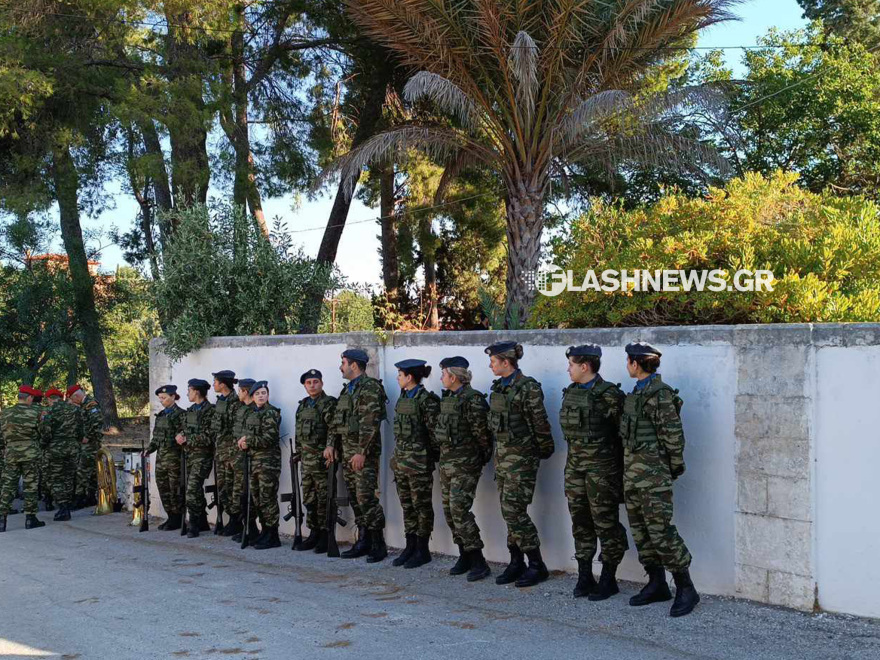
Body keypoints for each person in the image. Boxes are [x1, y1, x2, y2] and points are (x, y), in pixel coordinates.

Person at [620, 342, 699, 617]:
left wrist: (671, 468)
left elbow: (673, 436)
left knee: (660, 531)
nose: (627, 365)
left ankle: (686, 587)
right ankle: (657, 583)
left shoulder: (660, 394)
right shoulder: (638, 392)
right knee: (641, 531)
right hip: (632, 475)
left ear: (636, 363)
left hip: (653, 477)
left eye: (628, 361)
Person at [560, 345, 628, 600]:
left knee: (605, 522)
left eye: (571, 364)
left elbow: (624, 434)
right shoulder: (571, 392)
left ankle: (609, 577)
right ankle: (585, 575)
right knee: (580, 521)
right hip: (575, 468)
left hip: (602, 470)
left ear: (584, 366)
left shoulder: (609, 394)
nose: (568, 369)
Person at [485, 341, 555, 587]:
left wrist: (541, 451)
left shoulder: (528, 388)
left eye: (493, 361)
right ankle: (516, 561)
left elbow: (539, 423)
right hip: (503, 459)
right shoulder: (498, 387)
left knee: (514, 511)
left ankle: (537, 564)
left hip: (522, 460)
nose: (491, 366)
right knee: (508, 511)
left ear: (506, 362)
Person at [323, 348, 389, 563]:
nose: (340, 367)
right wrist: (331, 445)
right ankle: (363, 540)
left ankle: (378, 544)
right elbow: (336, 421)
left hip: (362, 455)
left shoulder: (369, 388)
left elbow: (370, 424)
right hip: (347, 453)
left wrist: (362, 452)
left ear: (353, 365)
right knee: (355, 498)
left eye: (343, 363)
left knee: (366, 498)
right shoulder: (347, 391)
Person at [436, 356, 493, 581]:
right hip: (447, 462)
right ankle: (465, 554)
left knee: (459, 509)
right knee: (449, 511)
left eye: (444, 374)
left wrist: (477, 459)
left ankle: (478, 560)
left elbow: (483, 435)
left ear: (453, 377)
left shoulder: (473, 399)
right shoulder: (449, 398)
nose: (441, 377)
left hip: (465, 464)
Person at [390, 359, 440, 569]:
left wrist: (429, 459)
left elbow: (434, 434)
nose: (397, 378)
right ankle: (410, 545)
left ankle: (422, 549)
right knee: (407, 505)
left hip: (419, 463)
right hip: (401, 462)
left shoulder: (426, 400)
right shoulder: (403, 397)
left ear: (409, 377)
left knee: (421, 506)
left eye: (400, 375)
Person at [293, 369, 337, 553]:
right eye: (309, 383)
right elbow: (298, 431)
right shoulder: (302, 405)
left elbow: (334, 427)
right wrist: (297, 453)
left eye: (315, 382)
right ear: (305, 386)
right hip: (306, 461)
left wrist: (330, 446)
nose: (312, 385)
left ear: (322, 383)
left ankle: (326, 534)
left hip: (322, 460)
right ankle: (314, 533)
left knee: (324, 498)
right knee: (309, 498)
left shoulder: (329, 403)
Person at [238, 381, 282, 550]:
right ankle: (265, 531)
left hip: (268, 463)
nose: (261, 396)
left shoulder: (271, 413)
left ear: (268, 395)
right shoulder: (251, 413)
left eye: (264, 393)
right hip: (253, 461)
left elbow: (269, 438)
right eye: (257, 394)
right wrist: (243, 442)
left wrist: (248, 441)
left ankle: (273, 534)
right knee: (257, 498)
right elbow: (246, 435)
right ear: (253, 396)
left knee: (267, 497)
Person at [0, 386, 50, 532]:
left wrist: (5, 447)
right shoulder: (36, 412)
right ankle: (30, 519)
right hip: (30, 453)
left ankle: (1, 520)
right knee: (30, 485)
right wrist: (39, 444)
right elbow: (45, 433)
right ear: (29, 398)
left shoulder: (6, 413)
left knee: (8, 486)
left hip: (11, 453)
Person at [178, 379, 215, 538]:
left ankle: (193, 523)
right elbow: (185, 430)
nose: (187, 394)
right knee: (194, 489)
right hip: (189, 455)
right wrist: (180, 436)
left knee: (192, 489)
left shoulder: (210, 411)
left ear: (197, 392)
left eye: (189, 390)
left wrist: (188, 439)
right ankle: (202, 521)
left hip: (202, 456)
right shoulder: (191, 410)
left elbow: (209, 436)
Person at [146, 385, 185, 531]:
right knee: (163, 488)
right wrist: (149, 450)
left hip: (175, 459)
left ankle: (178, 518)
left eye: (164, 398)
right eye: (160, 398)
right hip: (161, 459)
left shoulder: (181, 415)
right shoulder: (161, 415)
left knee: (175, 489)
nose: (161, 400)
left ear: (173, 396)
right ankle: (171, 516)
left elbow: (184, 435)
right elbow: (156, 438)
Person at [43, 388, 83, 522]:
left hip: (55, 448)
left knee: (55, 478)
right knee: (69, 477)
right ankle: (67, 504)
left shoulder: (49, 411)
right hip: (72, 447)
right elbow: (81, 430)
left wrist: (44, 445)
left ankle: (62, 506)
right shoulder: (75, 410)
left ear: (50, 399)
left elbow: (46, 432)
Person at [210, 370, 240, 535]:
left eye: (215, 382)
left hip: (233, 453)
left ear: (222, 384)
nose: (213, 385)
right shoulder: (220, 401)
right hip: (220, 451)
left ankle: (236, 521)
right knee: (223, 488)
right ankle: (230, 519)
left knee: (234, 487)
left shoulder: (236, 402)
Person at [67, 384, 104, 509]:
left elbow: (97, 422)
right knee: (92, 470)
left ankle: (79, 498)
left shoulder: (90, 404)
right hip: (90, 443)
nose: (73, 402)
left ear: (76, 396)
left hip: (90, 444)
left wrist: (88, 436)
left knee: (82, 470)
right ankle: (91, 497)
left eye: (73, 399)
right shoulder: (85, 405)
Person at [230, 378, 258, 543]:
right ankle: (246, 527)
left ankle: (251, 529)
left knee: (249, 494)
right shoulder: (241, 408)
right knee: (241, 494)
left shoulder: (255, 410)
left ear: (245, 392)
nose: (238, 394)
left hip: (251, 458)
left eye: (239, 391)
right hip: (239, 458)